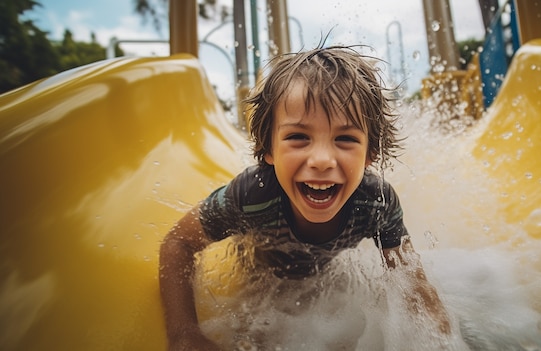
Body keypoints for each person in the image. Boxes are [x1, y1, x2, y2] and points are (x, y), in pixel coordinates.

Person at [159, 45, 451, 350]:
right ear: (269, 149)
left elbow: (413, 283)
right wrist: (183, 333)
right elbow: (178, 243)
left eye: (345, 139)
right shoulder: (252, 194)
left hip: (326, 277)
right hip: (264, 278)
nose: (322, 160)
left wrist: (441, 340)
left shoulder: (376, 203)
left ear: (370, 153)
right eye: (298, 137)